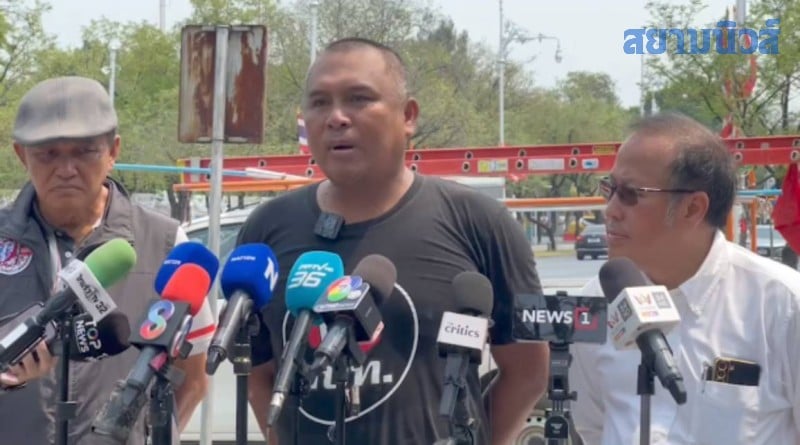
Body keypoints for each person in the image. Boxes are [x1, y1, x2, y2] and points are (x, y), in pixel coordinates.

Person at [238, 37, 549, 445]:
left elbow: (528, 370)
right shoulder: (266, 228)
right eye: (319, 103)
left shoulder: (479, 223)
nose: (336, 118)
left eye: (359, 99)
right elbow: (258, 373)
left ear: (408, 115)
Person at [0, 76, 215, 444]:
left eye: (85, 152)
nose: (66, 169)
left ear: (113, 151)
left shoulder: (165, 244)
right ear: (22, 155)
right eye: (48, 154)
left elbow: (193, 378)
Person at [569, 112, 800, 444]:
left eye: (631, 194)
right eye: (610, 189)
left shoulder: (782, 305)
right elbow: (593, 427)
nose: (611, 210)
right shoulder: (594, 306)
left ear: (693, 208)